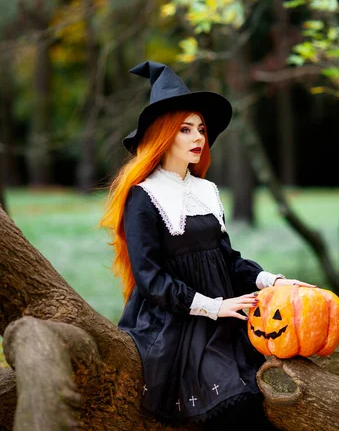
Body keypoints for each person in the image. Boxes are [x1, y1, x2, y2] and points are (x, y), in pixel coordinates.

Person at [101, 61, 317, 429]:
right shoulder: (144, 196)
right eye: (185, 129)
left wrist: (272, 281)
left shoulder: (207, 191)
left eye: (200, 129)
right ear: (163, 134)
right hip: (176, 322)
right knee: (236, 404)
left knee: (272, 391)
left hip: (228, 316)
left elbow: (227, 259)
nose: (198, 137)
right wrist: (213, 307)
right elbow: (151, 280)